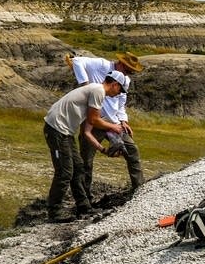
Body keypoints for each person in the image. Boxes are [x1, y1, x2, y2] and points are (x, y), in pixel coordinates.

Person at [44, 71, 128, 223]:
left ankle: (84, 206)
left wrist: (103, 150)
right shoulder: (98, 91)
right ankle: (54, 212)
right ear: (115, 84)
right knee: (64, 172)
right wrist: (113, 127)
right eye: (120, 90)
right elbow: (94, 120)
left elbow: (87, 132)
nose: (119, 94)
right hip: (56, 129)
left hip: (65, 132)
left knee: (78, 167)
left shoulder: (96, 93)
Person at [68, 51, 145, 200]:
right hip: (93, 120)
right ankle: (85, 199)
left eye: (131, 72)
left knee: (132, 152)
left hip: (113, 124)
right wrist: (85, 86)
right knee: (86, 161)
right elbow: (76, 61)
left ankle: (139, 189)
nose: (129, 75)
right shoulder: (101, 65)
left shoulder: (125, 81)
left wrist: (123, 120)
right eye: (128, 70)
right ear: (121, 64)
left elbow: (121, 103)